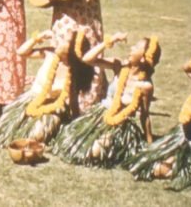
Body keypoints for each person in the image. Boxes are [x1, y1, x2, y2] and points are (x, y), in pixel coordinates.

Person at [52, 33, 161, 168]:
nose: (131, 48)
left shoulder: (145, 86)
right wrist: (110, 41)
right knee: (70, 138)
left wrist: (149, 143)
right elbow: (87, 59)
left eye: (137, 47)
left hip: (119, 124)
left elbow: (145, 115)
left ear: (144, 58)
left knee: (95, 150)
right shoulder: (119, 66)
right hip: (99, 115)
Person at [0, 15, 94, 147]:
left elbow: (73, 99)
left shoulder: (73, 71)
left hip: (52, 107)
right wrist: (38, 38)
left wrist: (75, 122)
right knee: (2, 127)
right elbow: (21, 52)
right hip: (31, 99)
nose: (60, 41)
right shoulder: (50, 53)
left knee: (37, 135)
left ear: (73, 50)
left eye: (65, 40)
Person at [125, 54, 191, 191]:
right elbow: (186, 68)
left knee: (159, 168)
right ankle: (172, 162)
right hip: (184, 135)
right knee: (149, 161)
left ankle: (184, 168)